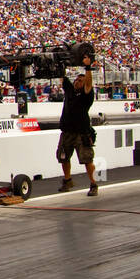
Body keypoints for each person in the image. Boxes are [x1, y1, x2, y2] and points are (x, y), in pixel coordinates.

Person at [57, 53, 98, 196]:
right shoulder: (69, 91)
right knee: (63, 157)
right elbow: (63, 78)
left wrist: (87, 67)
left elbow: (88, 84)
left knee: (87, 159)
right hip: (67, 131)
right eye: (76, 79)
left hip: (82, 132)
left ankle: (93, 183)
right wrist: (61, 63)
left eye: (80, 80)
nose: (77, 81)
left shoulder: (87, 96)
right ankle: (67, 180)